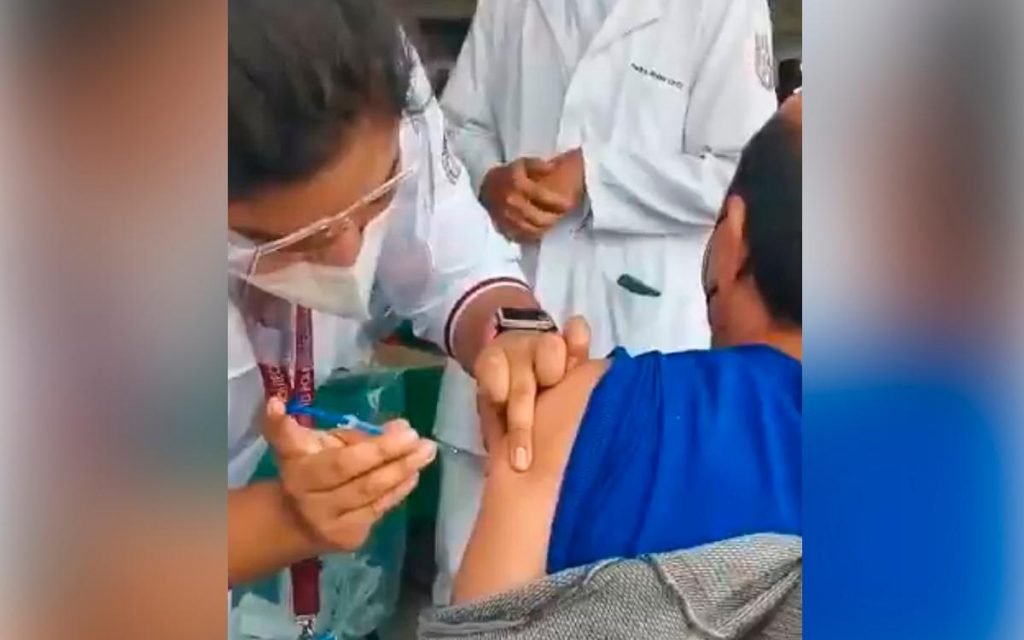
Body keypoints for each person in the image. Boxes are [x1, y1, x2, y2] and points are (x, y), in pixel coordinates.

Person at [227, 0, 590, 593]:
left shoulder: (370, 77)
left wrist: (513, 331)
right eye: (298, 242)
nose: (351, 256)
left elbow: (448, 253)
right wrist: (288, 519)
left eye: (376, 199)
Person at [433, 0, 780, 602]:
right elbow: (455, 128)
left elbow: (738, 172)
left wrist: (598, 177)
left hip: (641, 341)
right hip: (504, 314)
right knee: (471, 585)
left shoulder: (723, 10)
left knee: (623, 594)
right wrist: (491, 179)